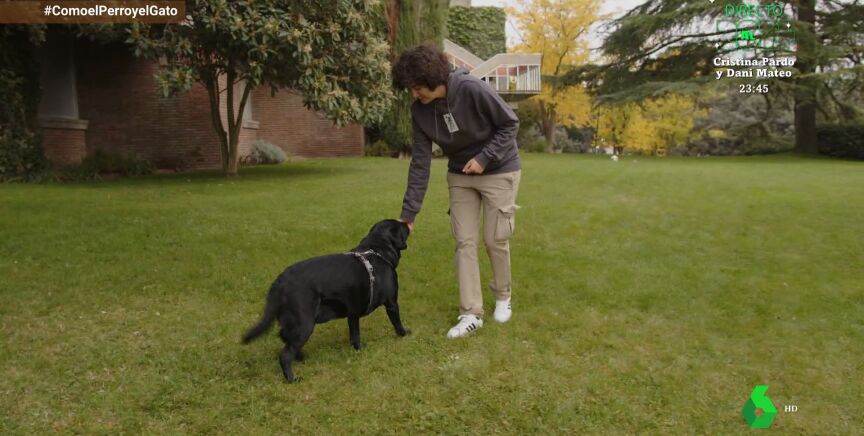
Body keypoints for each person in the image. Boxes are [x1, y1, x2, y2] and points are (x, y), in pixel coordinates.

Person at [392, 44, 522, 339]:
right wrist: (408, 214)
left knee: (495, 239)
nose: (414, 94)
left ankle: (503, 295)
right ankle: (471, 313)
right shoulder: (420, 111)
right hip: (460, 175)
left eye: (416, 88)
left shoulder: (471, 88)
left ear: (431, 78)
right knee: (464, 241)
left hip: (499, 169)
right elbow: (420, 163)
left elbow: (509, 124)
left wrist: (484, 158)